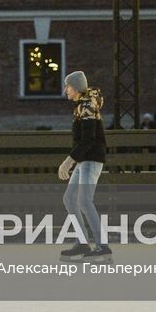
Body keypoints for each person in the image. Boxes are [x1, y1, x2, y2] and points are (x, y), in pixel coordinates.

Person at [58, 70, 109, 259]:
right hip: (83, 160)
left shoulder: (87, 107)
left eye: (68, 86)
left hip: (91, 159)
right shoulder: (82, 105)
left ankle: (103, 246)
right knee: (70, 199)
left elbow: (88, 139)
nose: (65, 90)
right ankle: (82, 243)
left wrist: (67, 161)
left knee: (84, 201)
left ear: (77, 88)